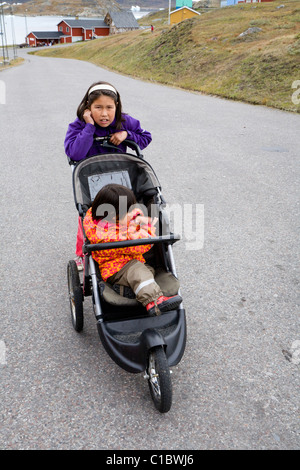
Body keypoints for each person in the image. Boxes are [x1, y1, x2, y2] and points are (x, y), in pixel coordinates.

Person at [64, 81, 152, 269]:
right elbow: (74, 153)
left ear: (116, 106)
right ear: (88, 108)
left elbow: (145, 138)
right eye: (98, 107)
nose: (104, 114)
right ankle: (83, 252)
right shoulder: (78, 126)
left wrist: (126, 134)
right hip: (91, 179)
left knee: (125, 212)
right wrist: (89, 127)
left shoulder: (125, 121)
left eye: (109, 107)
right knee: (89, 215)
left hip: (119, 178)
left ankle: (127, 245)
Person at [83, 184, 182, 316]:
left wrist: (136, 218)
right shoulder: (107, 237)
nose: (133, 212)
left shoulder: (109, 218)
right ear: (114, 217)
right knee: (139, 272)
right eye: (129, 211)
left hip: (132, 263)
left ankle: (125, 290)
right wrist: (146, 232)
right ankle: (154, 302)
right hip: (116, 269)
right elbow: (142, 245)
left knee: (147, 272)